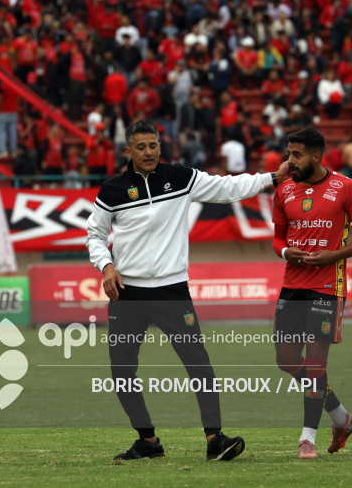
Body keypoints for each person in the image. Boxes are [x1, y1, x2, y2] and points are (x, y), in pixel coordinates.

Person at [86, 120, 290, 462]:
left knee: (198, 364)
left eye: (153, 146)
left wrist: (273, 177)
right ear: (128, 151)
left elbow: (227, 188)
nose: (149, 152)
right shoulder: (112, 190)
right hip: (128, 294)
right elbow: (94, 235)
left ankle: (214, 439)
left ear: (160, 147)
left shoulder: (180, 177)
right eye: (141, 147)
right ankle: (148, 441)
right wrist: (106, 266)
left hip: (172, 290)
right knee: (121, 372)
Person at [271, 127, 352, 460]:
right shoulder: (284, 191)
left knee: (315, 366)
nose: (290, 161)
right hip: (291, 285)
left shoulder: (347, 188)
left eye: (296, 154)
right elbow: (277, 238)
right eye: (288, 153)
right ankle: (343, 418)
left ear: (317, 156)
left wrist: (334, 255)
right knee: (286, 362)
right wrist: (287, 253)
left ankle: (307, 439)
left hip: (327, 287)